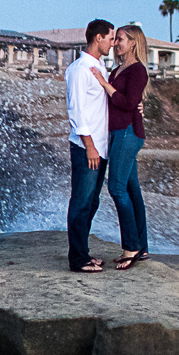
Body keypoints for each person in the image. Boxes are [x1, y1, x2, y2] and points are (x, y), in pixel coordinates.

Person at [64, 19, 116, 272]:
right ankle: (77, 260)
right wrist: (90, 146)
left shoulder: (99, 67)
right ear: (98, 38)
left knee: (92, 202)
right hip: (88, 148)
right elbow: (76, 111)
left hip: (101, 146)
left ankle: (83, 253)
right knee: (81, 202)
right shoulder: (79, 70)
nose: (113, 43)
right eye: (110, 38)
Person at [103, 25, 151, 269]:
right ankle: (141, 247)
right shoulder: (118, 69)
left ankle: (131, 248)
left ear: (133, 43)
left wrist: (104, 84)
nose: (115, 43)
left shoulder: (137, 70)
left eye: (120, 39)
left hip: (128, 133)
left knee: (116, 188)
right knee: (132, 191)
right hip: (118, 132)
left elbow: (129, 102)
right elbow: (129, 102)